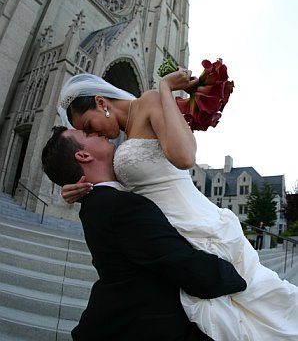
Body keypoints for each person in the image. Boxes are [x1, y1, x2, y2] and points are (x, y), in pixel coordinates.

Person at [59, 72, 298, 341]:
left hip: (196, 222)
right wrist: (79, 191)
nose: (93, 133)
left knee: (261, 309)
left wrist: (164, 89)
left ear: (102, 103)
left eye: (88, 125)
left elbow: (185, 157)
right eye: (86, 133)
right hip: (175, 233)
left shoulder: (150, 101)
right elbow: (124, 190)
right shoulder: (125, 138)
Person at [42, 126, 247, 341]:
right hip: (146, 326)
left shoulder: (95, 202)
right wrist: (240, 279)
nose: (97, 132)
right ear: (83, 155)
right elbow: (180, 262)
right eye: (87, 134)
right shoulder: (119, 206)